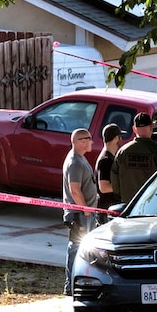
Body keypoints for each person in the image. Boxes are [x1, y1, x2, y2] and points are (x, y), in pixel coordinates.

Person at [62, 128, 98, 296]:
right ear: (81, 141)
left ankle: (76, 282)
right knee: (76, 248)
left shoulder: (80, 159)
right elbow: (74, 189)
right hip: (79, 215)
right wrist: (86, 210)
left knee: (81, 248)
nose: (91, 142)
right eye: (89, 139)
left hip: (83, 214)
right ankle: (70, 285)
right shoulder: (75, 162)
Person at [110, 112, 157, 204]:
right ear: (151, 127)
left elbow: (114, 178)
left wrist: (121, 196)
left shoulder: (123, 151)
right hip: (152, 203)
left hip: (127, 204)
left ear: (134, 129)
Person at [95, 123, 123, 224]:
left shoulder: (109, 158)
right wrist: (123, 186)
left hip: (108, 209)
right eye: (120, 137)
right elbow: (104, 187)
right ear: (116, 138)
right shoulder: (105, 160)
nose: (121, 140)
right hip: (106, 212)